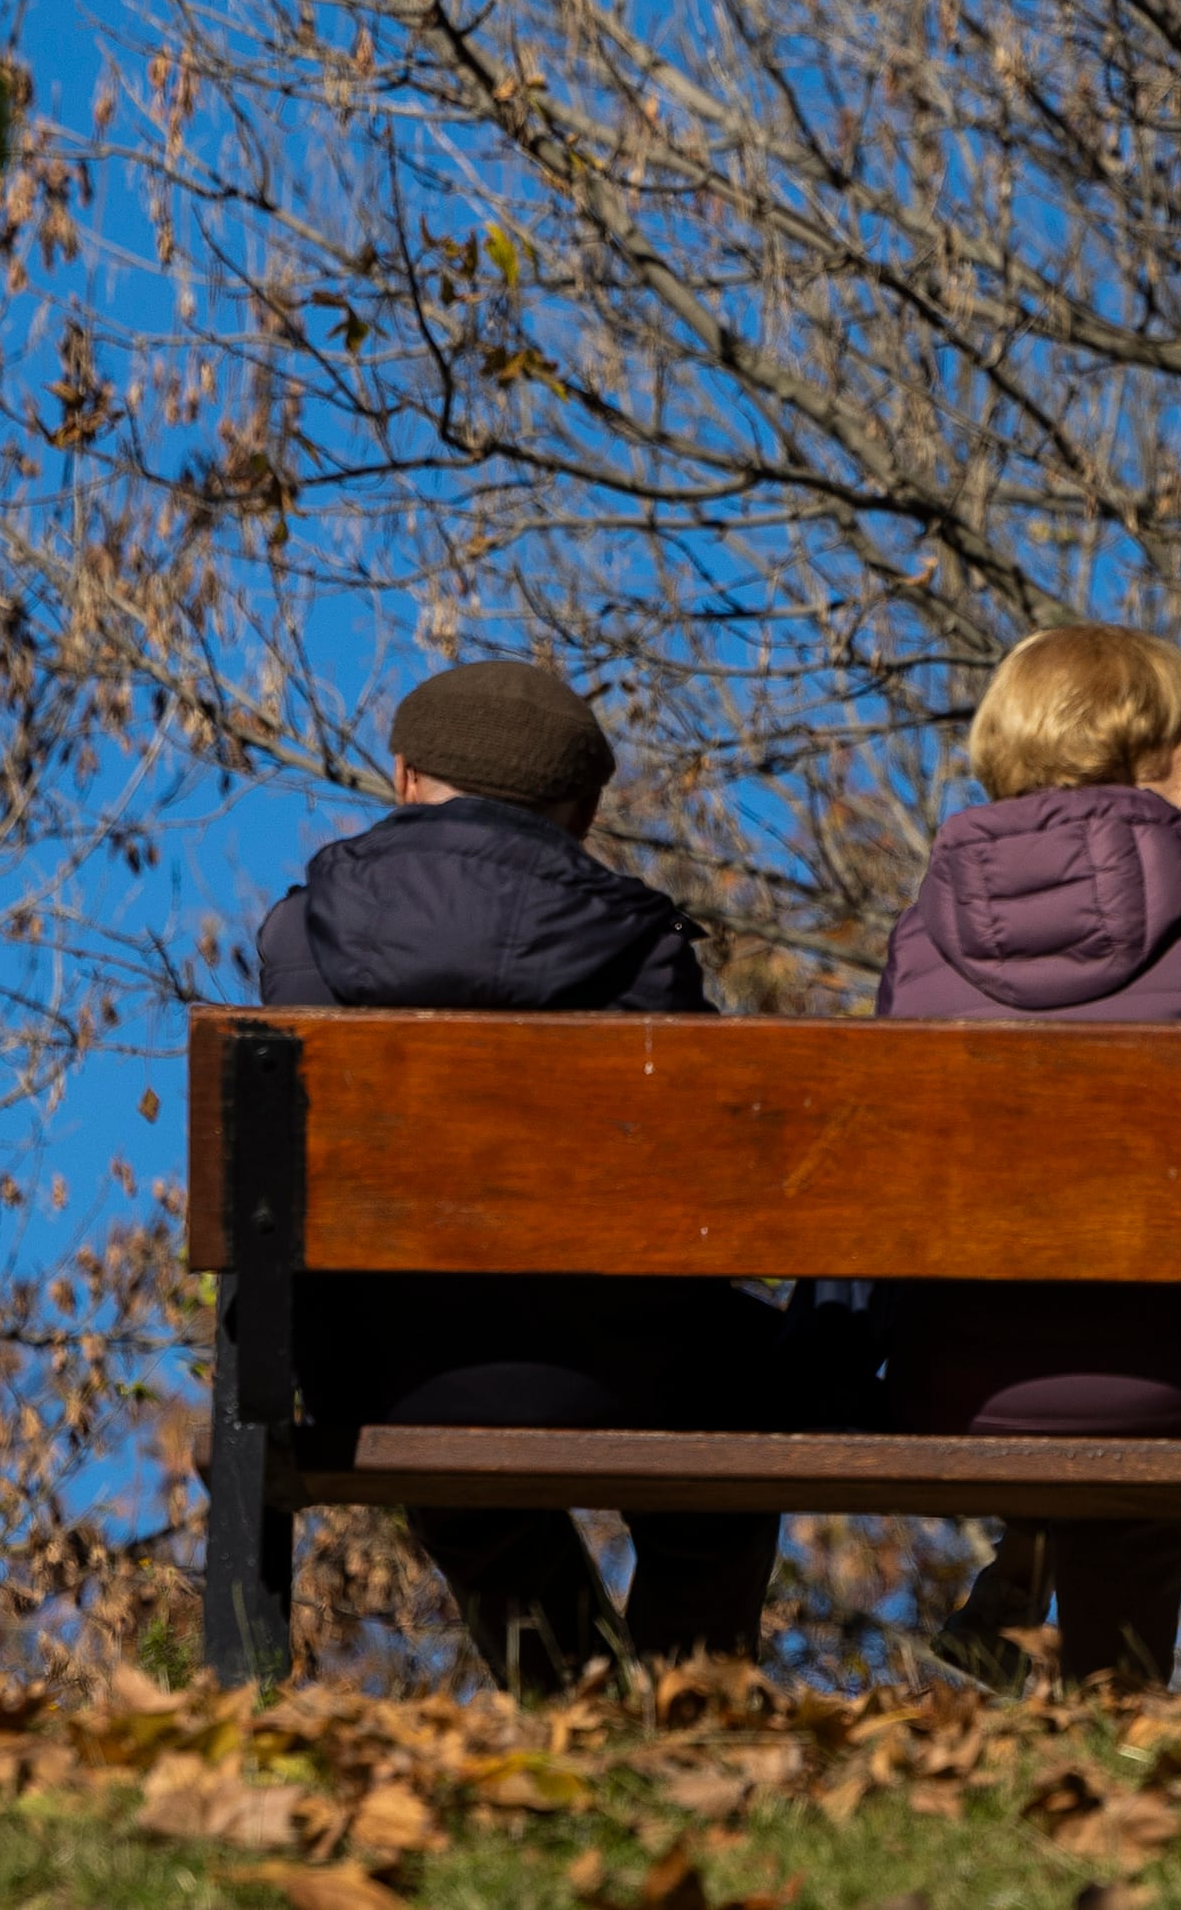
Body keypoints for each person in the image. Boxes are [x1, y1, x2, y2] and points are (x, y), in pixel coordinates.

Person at [253, 656, 782, 1689]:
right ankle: (692, 1706)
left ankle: (575, 1704)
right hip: (623, 1366)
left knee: (463, 1450)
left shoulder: (297, 935)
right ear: (579, 810)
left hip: (379, 1376)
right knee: (736, 1423)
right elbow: (701, 1183)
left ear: (404, 777)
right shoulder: (640, 950)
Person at [878, 623, 1181, 1684]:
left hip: (955, 1384)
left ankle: (1028, 1560)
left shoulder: (919, 930)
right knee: (1152, 1352)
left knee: (1049, 1302)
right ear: (1138, 751)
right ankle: (1112, 1715)